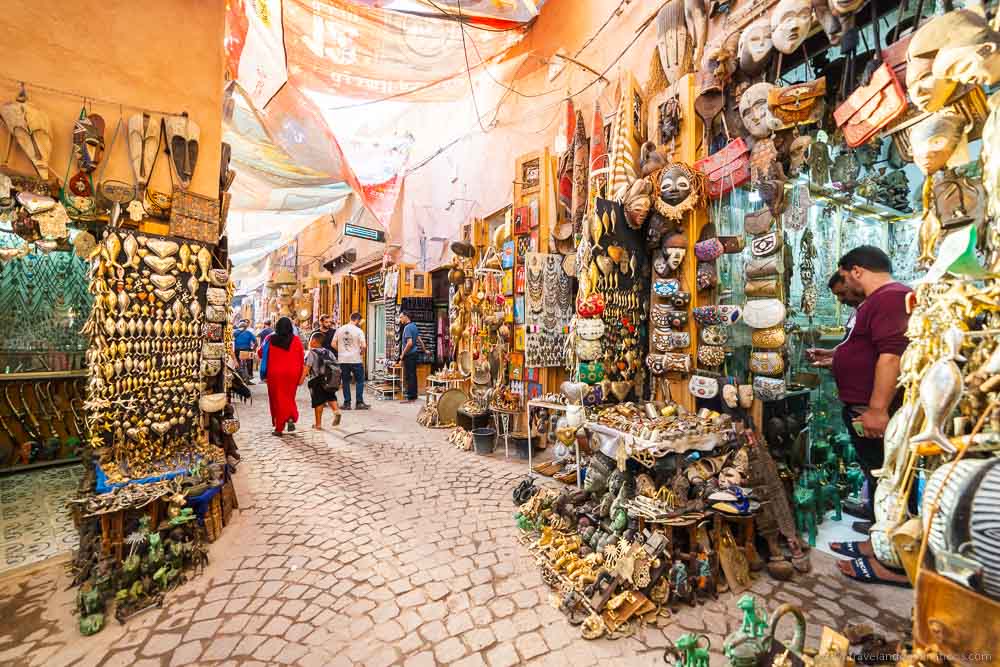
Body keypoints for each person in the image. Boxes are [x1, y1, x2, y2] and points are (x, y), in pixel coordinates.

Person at [830, 247, 912, 587]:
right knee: (877, 481)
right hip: (864, 407)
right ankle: (874, 545)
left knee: (888, 486)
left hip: (874, 411)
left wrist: (878, 409)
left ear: (857, 271)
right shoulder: (881, 301)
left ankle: (891, 563)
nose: (846, 286)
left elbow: (891, 357)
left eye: (846, 278)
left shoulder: (889, 298)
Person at [806, 271, 866, 369]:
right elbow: (851, 345)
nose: (840, 299)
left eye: (842, 293)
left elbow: (869, 355)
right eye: (837, 295)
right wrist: (829, 353)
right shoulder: (855, 312)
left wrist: (838, 361)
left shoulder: (873, 312)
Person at [258, 317, 303, 436]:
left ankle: (279, 427)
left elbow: (260, 352)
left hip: (275, 374)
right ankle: (290, 416)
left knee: (277, 399)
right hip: (292, 373)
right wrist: (301, 375)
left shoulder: (270, 338)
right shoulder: (296, 340)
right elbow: (301, 358)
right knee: (289, 396)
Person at [302, 331, 342, 429]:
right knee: (331, 397)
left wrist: (301, 379)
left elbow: (307, 367)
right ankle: (336, 411)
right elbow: (336, 365)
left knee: (318, 402)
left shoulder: (311, 353)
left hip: (317, 380)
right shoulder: (329, 352)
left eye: (310, 339)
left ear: (314, 341)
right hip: (329, 380)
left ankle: (318, 424)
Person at [333, 312, 369, 410]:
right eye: (360, 321)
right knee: (360, 381)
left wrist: (340, 351)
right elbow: (364, 346)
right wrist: (361, 352)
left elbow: (333, 344)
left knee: (345, 381)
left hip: (343, 360)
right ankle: (359, 403)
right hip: (355, 359)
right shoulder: (359, 331)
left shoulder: (339, 329)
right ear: (357, 320)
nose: (360, 323)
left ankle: (347, 403)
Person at [399, 311, 427, 402]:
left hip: (409, 355)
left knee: (409, 376)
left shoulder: (407, 328)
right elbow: (420, 340)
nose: (400, 319)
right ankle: (413, 395)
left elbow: (409, 343)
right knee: (413, 375)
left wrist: (402, 355)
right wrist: (424, 350)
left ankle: (410, 396)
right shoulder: (414, 326)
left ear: (406, 317)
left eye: (401, 317)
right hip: (414, 354)